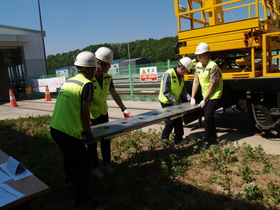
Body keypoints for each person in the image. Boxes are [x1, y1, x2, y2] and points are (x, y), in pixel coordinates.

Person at [50, 51, 99, 208]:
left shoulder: (70, 81)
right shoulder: (87, 84)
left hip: (56, 128)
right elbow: (85, 111)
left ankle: (69, 186)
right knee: (84, 167)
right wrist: (88, 131)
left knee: (70, 159)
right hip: (69, 132)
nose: (96, 71)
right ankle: (80, 199)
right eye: (95, 68)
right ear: (90, 69)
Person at [88, 46, 132, 178]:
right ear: (100, 63)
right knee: (92, 142)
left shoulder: (107, 77)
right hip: (90, 115)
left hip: (102, 112)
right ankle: (94, 167)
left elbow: (114, 93)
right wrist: (86, 120)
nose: (110, 67)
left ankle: (107, 163)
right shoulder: (89, 78)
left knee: (106, 139)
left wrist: (124, 109)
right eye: (109, 64)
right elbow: (83, 101)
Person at [190, 42, 223, 149]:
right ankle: (213, 136)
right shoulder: (198, 66)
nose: (198, 57)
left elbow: (213, 85)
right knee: (209, 118)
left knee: (207, 116)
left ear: (207, 54)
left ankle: (207, 140)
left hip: (214, 95)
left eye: (201, 55)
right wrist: (192, 97)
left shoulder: (213, 67)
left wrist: (204, 99)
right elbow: (196, 81)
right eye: (197, 55)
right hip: (206, 95)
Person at [158, 57, 193, 145]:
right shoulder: (169, 74)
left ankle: (178, 138)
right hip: (166, 101)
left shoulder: (181, 77)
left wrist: (190, 98)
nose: (186, 73)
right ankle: (163, 139)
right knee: (171, 121)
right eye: (186, 71)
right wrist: (175, 102)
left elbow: (183, 90)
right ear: (182, 67)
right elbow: (165, 91)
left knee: (178, 119)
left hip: (174, 102)